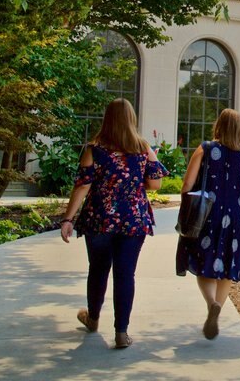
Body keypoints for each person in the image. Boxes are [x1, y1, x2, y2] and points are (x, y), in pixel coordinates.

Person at [60, 98, 168, 349]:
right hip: (133, 220)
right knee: (125, 274)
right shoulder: (143, 148)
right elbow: (155, 184)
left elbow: (83, 186)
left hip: (100, 218)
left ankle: (93, 318)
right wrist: (130, 184)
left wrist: (68, 219)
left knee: (98, 269)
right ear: (131, 119)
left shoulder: (94, 149)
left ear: (107, 119)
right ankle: (121, 332)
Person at [176, 108, 240, 340]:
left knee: (203, 261)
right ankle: (218, 307)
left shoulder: (206, 149)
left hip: (208, 215)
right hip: (237, 217)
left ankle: (211, 303)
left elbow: (187, 184)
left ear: (219, 125)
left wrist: (186, 208)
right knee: (228, 264)